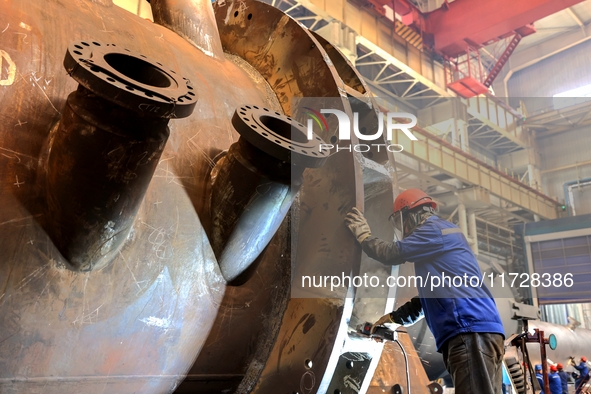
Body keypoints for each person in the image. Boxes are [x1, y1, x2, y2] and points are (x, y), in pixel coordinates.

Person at [345, 188, 505, 394]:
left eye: (400, 221)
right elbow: (427, 300)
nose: (403, 229)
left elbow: (392, 253)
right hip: (480, 332)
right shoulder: (441, 239)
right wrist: (393, 318)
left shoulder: (433, 230)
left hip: (469, 331)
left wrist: (364, 236)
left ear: (411, 215)